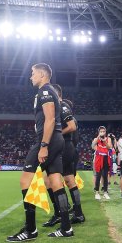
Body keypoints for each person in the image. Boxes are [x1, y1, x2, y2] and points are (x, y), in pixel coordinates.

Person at [7, 63, 73, 242]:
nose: (30, 77)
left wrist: (43, 145)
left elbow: (50, 119)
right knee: (56, 181)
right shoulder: (48, 91)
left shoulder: (44, 91)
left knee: (25, 181)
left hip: (48, 141)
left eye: (33, 73)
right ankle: (66, 227)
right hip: (57, 139)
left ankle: (30, 230)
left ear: (42, 74)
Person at [41, 84, 85, 226]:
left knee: (49, 179)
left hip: (64, 146)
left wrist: (55, 134)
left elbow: (72, 126)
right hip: (68, 146)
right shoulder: (60, 106)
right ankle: (77, 213)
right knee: (68, 179)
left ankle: (59, 213)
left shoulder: (61, 105)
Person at [92, 126, 112, 200]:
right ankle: (97, 192)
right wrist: (98, 138)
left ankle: (105, 192)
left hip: (106, 158)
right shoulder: (96, 139)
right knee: (98, 175)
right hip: (98, 158)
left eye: (104, 131)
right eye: (101, 131)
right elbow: (92, 146)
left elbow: (109, 147)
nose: (102, 133)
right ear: (99, 132)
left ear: (105, 132)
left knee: (105, 176)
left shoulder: (108, 139)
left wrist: (104, 141)